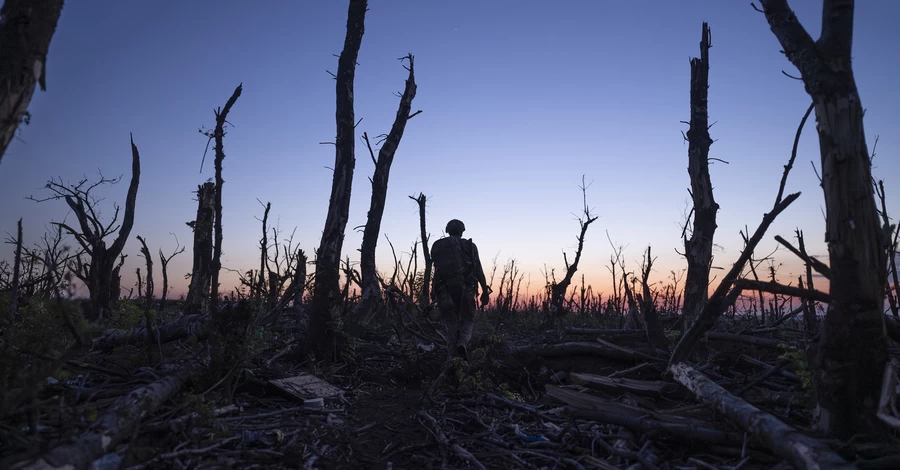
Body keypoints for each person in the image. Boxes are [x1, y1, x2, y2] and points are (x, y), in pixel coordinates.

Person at [430, 219, 490, 360]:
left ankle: (452, 356)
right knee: (468, 320)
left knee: (451, 322)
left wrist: (433, 294)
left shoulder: (437, 246)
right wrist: (485, 291)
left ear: (447, 230)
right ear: (462, 231)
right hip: (465, 291)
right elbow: (478, 269)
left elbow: (436, 272)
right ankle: (462, 342)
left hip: (444, 292)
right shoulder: (470, 246)